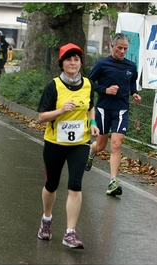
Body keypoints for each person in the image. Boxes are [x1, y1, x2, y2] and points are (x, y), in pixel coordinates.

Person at [36, 43, 99, 249]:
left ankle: (70, 233)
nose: (73, 63)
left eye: (76, 59)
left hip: (80, 143)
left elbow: (90, 107)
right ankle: (46, 219)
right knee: (51, 185)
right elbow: (41, 117)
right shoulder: (53, 86)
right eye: (68, 59)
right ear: (61, 63)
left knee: (75, 185)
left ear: (81, 63)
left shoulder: (88, 84)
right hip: (55, 143)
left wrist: (93, 124)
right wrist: (61, 110)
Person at [85, 33, 142, 196]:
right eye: (119, 48)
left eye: (125, 48)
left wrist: (134, 93)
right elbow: (89, 83)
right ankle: (91, 151)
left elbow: (131, 83)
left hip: (122, 109)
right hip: (104, 109)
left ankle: (113, 181)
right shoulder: (102, 64)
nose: (123, 51)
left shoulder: (131, 66)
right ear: (112, 47)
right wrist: (105, 90)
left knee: (116, 144)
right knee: (101, 146)